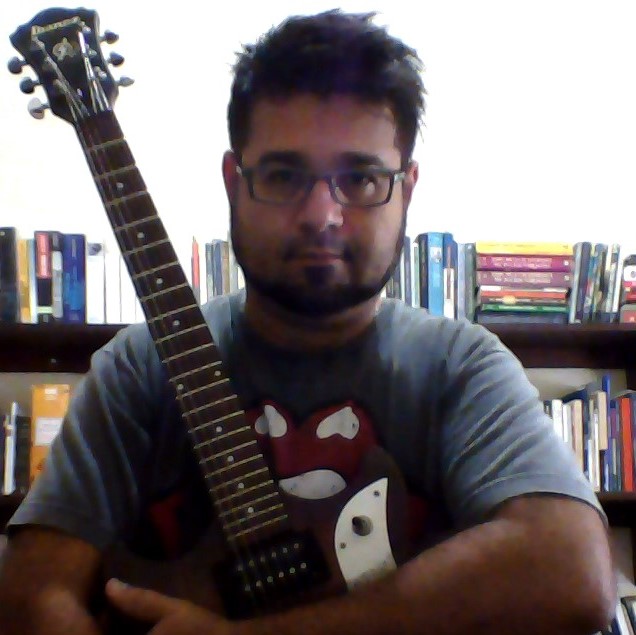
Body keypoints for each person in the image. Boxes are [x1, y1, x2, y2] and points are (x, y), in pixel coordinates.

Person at [0, 9, 616, 635]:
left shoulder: (460, 365)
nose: (323, 215)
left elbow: (570, 572)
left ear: (406, 190)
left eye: (362, 178)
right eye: (283, 175)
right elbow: (33, 594)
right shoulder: (138, 367)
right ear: (233, 183)